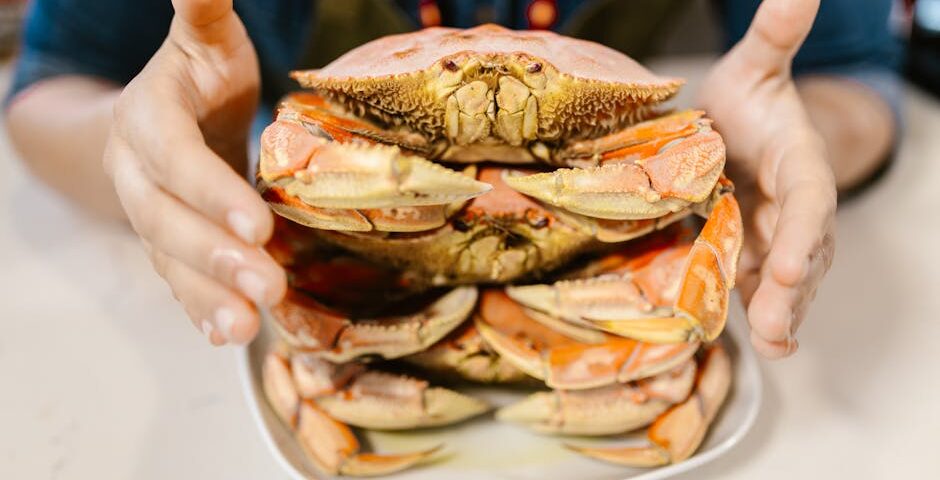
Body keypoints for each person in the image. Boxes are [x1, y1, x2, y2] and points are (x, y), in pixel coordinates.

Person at [4, 0, 900, 358]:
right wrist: (160, 155)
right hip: (344, 268)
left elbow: (854, 72)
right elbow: (51, 84)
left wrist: (757, 147)